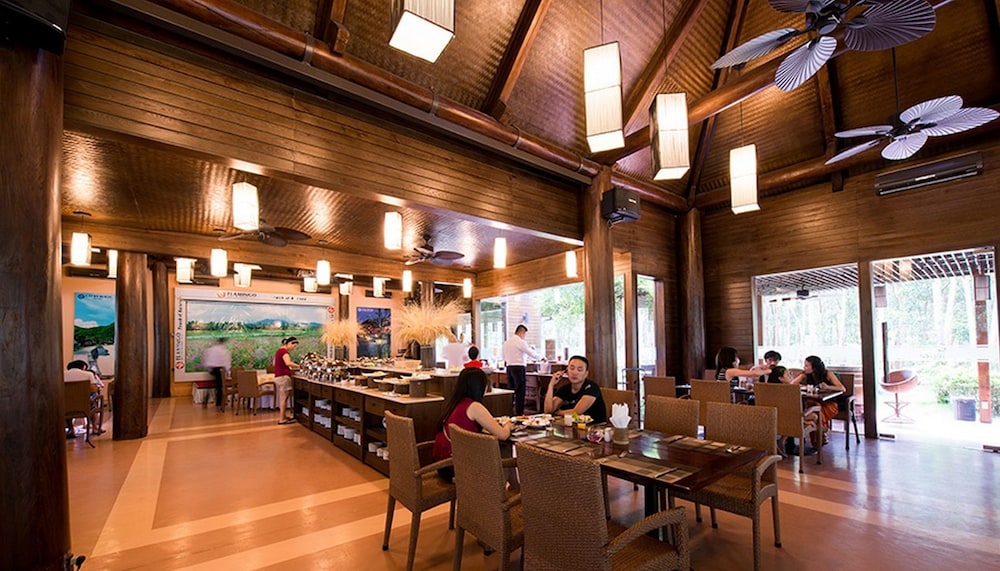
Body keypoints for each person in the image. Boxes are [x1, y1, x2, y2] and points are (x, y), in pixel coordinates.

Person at [432, 368, 513, 482]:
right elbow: (503, 435)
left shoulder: (455, 403)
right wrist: (508, 424)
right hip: (458, 467)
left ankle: (509, 487)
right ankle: (496, 491)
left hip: (444, 465)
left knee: (502, 449)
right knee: (503, 451)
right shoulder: (474, 406)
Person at [790, 355, 846, 446]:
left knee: (815, 411)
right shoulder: (805, 374)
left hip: (829, 403)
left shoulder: (827, 373)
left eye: (807, 365)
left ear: (814, 367)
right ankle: (820, 433)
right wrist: (804, 384)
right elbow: (792, 384)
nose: (804, 367)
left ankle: (819, 435)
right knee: (813, 407)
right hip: (814, 402)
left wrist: (827, 387)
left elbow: (842, 388)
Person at [543, 355, 607, 423]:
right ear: (567, 371)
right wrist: (551, 385)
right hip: (571, 426)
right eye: (572, 368)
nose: (575, 373)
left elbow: (576, 412)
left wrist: (558, 412)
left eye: (579, 370)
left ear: (586, 374)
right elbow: (548, 411)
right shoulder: (564, 389)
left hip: (595, 427)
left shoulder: (592, 387)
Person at [502, 324, 543, 415]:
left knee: (511, 391)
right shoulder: (520, 341)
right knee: (520, 392)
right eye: (525, 334)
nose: (524, 337)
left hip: (509, 368)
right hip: (518, 368)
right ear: (522, 332)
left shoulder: (507, 342)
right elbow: (530, 352)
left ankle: (509, 412)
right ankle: (519, 413)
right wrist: (541, 357)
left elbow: (503, 356)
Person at [64, 360, 102, 438]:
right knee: (93, 403)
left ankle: (71, 429)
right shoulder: (88, 374)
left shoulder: (62, 375)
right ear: (83, 367)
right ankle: (94, 427)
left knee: (67, 404)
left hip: (67, 406)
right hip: (85, 405)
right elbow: (93, 389)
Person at [274, 337, 301, 425]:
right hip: (283, 377)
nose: (293, 348)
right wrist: (299, 366)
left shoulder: (279, 351)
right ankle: (282, 419)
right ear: (289, 343)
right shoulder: (284, 352)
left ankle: (284, 416)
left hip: (279, 376)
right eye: (294, 346)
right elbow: (288, 363)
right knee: (284, 399)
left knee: (283, 398)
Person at [202, 337, 232, 411]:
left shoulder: (211, 349)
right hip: (220, 370)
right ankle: (219, 402)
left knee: (211, 386)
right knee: (220, 386)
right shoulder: (224, 351)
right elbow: (226, 362)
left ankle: (206, 399)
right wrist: (228, 371)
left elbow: (206, 359)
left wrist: (208, 368)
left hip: (212, 369)